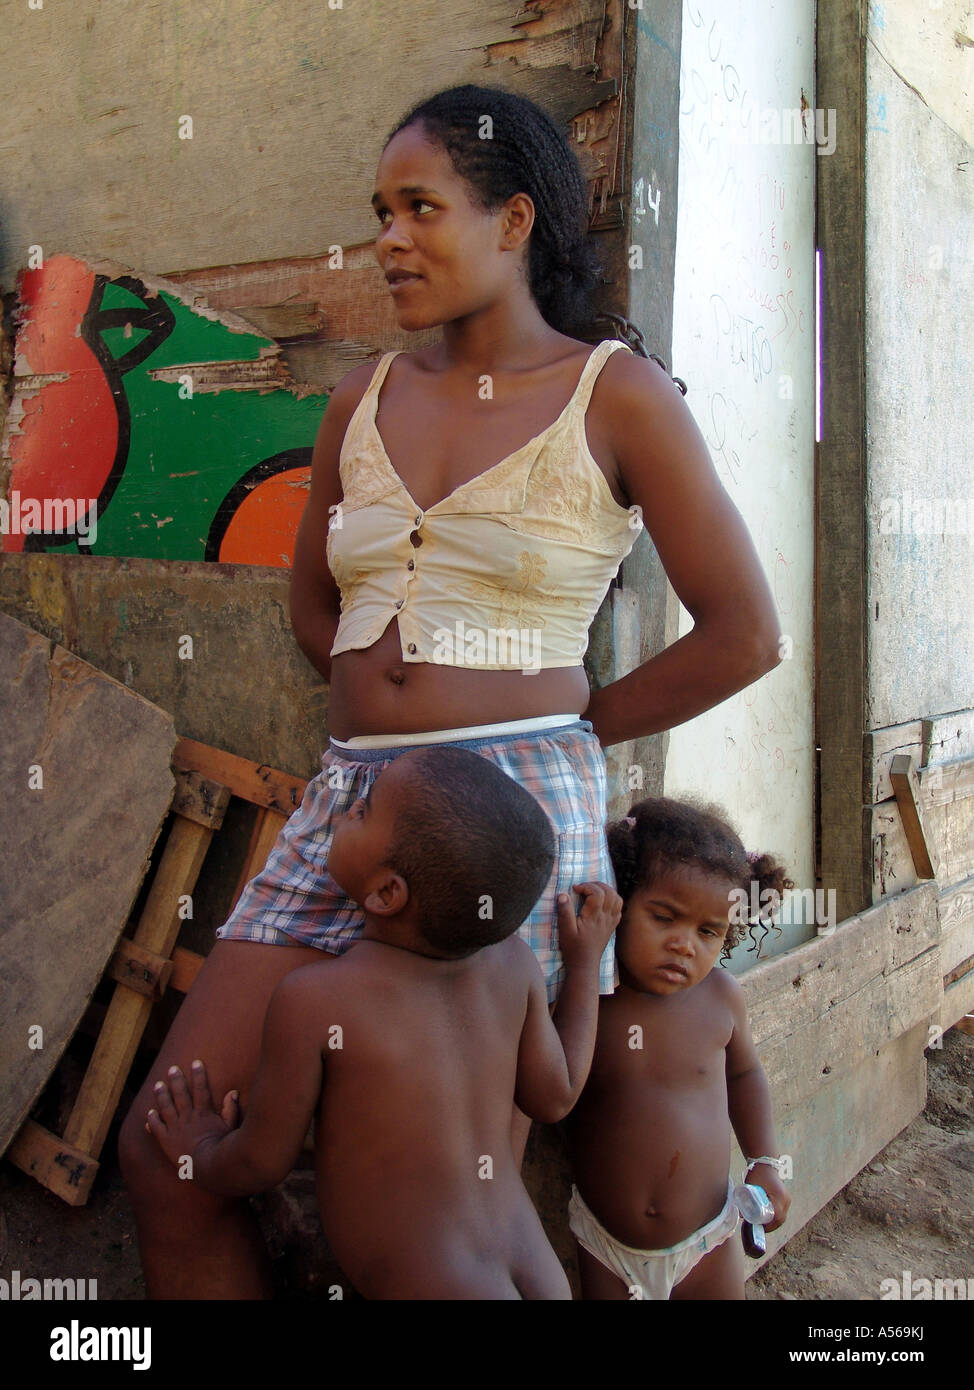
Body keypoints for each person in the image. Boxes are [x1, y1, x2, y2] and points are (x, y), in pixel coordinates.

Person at [120, 82, 782, 1298]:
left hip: (515, 822)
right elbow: (314, 609)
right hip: (351, 808)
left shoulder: (613, 397)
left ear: (514, 222)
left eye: (419, 207)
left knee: (434, 1213)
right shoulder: (356, 403)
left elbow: (742, 634)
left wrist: (574, 724)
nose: (386, 238)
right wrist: (383, 701)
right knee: (167, 1152)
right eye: (379, 211)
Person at [145, 746, 621, 1299]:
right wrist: (585, 964)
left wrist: (198, 1150)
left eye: (364, 811)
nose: (348, 811)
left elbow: (259, 1161)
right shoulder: (516, 965)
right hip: (538, 1275)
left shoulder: (316, 1000)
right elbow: (556, 1096)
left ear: (388, 893)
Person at [564, 796, 794, 1300]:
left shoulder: (721, 999)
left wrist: (766, 1162)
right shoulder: (592, 1000)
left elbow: (745, 1076)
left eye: (708, 930)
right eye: (664, 917)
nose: (685, 944)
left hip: (707, 1240)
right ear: (621, 900)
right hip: (606, 1243)